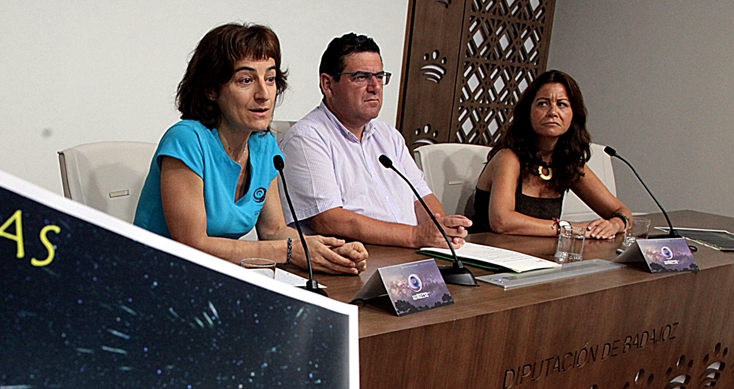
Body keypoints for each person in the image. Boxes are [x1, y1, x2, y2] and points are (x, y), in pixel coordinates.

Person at [133, 24, 367, 275]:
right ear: (211, 89)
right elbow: (193, 244)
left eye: (270, 79)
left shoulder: (264, 144)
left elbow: (274, 230)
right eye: (246, 80)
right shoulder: (186, 139)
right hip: (155, 277)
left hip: (216, 278)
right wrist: (288, 251)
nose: (264, 94)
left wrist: (325, 248)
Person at [278, 33, 469, 249]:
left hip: (409, 255)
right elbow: (328, 219)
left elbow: (421, 196)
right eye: (361, 77)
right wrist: (415, 236)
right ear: (328, 84)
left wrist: (438, 228)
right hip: (354, 260)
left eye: (380, 76)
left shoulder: (388, 136)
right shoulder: (307, 138)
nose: (375, 86)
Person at [470, 70, 632, 238]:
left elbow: (622, 212)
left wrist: (615, 224)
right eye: (543, 103)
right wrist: (569, 228)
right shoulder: (509, 157)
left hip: (539, 257)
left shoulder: (568, 162)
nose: (552, 112)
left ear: (573, 115)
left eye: (562, 104)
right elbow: (502, 221)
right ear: (528, 112)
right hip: (488, 255)